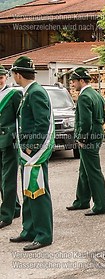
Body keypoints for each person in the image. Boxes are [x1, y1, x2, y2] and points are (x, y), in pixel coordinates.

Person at [10, 56, 54, 251]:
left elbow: (42, 123)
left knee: (38, 192)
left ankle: (44, 234)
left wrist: (31, 146)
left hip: (34, 152)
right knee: (28, 192)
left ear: (18, 75)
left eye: (13, 74)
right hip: (27, 152)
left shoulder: (36, 93)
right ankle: (29, 229)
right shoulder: (28, 92)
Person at [66, 67, 105, 216]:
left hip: (89, 138)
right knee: (84, 170)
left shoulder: (84, 97)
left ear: (82, 81)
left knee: (93, 171)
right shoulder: (96, 95)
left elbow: (85, 121)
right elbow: (102, 117)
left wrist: (82, 138)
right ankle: (82, 201)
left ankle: (101, 205)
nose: (72, 84)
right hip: (97, 135)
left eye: (74, 81)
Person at [0, 65, 22, 229]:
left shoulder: (14, 93)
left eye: (1, 78)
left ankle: (5, 215)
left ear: (6, 78)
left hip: (9, 141)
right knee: (2, 178)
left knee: (8, 178)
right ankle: (14, 208)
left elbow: (20, 118)